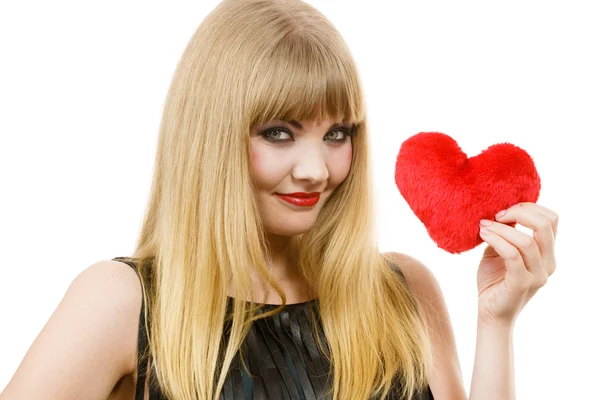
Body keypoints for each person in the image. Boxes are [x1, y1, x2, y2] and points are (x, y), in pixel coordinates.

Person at [0, 0, 558, 399]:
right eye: (279, 133)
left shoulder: (402, 289)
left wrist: (497, 322)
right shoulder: (125, 302)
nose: (317, 170)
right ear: (211, 138)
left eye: (337, 133)